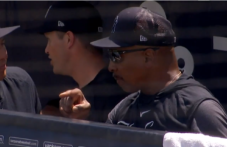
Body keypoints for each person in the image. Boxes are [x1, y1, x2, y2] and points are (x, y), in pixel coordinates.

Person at [59, 7, 227, 138]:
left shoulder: (199, 110)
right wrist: (82, 122)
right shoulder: (122, 111)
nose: (110, 67)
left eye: (116, 55)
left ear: (148, 56)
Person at [39, 1, 128, 122]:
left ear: (69, 39)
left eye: (49, 40)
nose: (46, 50)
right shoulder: (114, 88)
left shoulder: (111, 101)